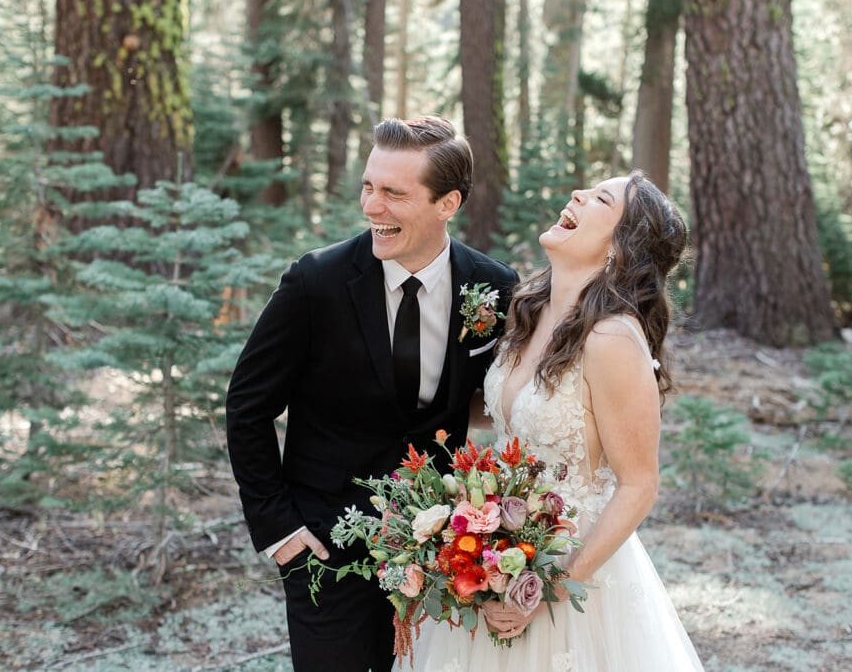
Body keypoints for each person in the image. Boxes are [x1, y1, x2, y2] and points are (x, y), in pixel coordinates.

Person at [226, 116, 519, 672]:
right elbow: (247, 405)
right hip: (324, 544)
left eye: (393, 193)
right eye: (368, 186)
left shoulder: (494, 286)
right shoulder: (316, 282)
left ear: (447, 202)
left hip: (441, 547)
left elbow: (497, 399)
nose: (371, 206)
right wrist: (279, 528)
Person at [399, 171, 704, 670]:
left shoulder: (612, 340)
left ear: (621, 248)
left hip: (570, 566)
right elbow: (507, 414)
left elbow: (639, 485)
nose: (577, 195)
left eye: (601, 198)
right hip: (498, 549)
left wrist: (550, 589)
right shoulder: (531, 311)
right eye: (586, 188)